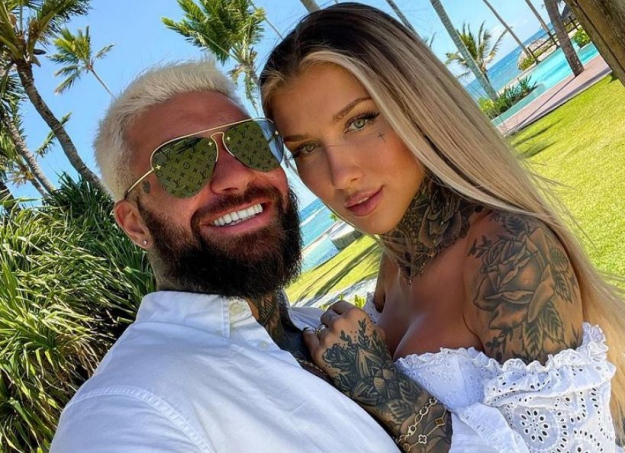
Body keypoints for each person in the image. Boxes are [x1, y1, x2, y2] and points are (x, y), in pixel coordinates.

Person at [260, 3, 625, 452]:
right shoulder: (395, 265)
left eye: (360, 120)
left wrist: (385, 390)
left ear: (417, 105)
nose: (340, 175)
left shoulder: (510, 254)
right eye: (305, 148)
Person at [49, 59, 400, 452]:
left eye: (250, 142)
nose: (236, 175)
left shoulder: (320, 325)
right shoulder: (125, 409)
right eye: (183, 163)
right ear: (135, 224)